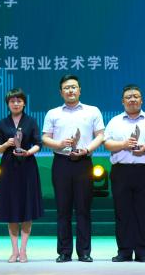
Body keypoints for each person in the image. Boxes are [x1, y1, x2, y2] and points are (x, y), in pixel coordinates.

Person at [41, 74, 105, 263]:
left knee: (84, 208)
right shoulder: (53, 113)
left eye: (74, 87)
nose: (70, 90)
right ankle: (64, 252)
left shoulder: (92, 111)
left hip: (84, 162)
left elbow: (100, 135)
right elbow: (45, 138)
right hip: (61, 162)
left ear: (80, 90)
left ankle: (84, 251)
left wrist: (87, 149)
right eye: (66, 88)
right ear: (61, 92)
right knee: (63, 209)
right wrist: (59, 144)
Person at [103, 84, 145, 263]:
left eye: (136, 96)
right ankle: (124, 251)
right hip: (121, 171)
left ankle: (142, 252)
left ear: (141, 100)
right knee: (122, 212)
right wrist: (124, 145)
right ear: (122, 101)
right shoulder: (115, 121)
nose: (132, 100)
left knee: (143, 212)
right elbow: (107, 143)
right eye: (128, 97)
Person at [0, 88, 43, 263]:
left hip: (27, 166)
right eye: (12, 101)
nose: (15, 104)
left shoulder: (31, 121)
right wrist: (6, 144)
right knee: (11, 208)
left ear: (24, 103)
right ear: (8, 104)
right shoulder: (3, 123)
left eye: (19, 101)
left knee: (27, 208)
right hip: (9, 167)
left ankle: (23, 251)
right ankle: (14, 251)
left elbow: (38, 144)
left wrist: (28, 152)